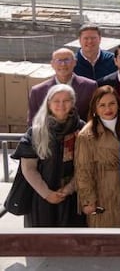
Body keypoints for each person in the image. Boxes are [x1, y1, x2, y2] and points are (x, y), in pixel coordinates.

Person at [12, 84, 86, 227]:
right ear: (48, 103)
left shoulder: (82, 129)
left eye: (66, 100)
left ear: (73, 102)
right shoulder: (36, 131)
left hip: (72, 196)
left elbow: (85, 165)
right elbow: (28, 168)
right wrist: (47, 193)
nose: (61, 105)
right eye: (56, 101)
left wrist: (68, 189)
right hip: (40, 197)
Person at [75, 86, 120, 227]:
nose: (108, 109)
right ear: (95, 108)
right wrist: (88, 200)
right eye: (102, 105)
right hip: (104, 190)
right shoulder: (87, 134)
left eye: (112, 103)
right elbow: (83, 170)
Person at [28, 47, 97, 123]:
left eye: (67, 60)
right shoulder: (38, 91)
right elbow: (33, 122)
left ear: (75, 62)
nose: (63, 64)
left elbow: (95, 116)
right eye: (59, 61)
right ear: (52, 64)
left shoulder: (90, 86)